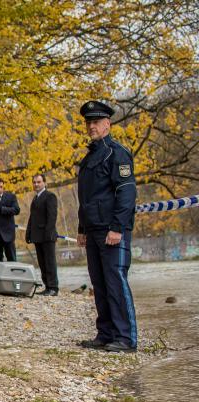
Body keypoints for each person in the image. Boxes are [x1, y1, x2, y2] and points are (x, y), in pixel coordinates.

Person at [76, 100, 138, 353]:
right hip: (93, 230)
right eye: (88, 122)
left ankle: (125, 337)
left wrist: (117, 227)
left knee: (116, 282)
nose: (91, 126)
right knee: (99, 283)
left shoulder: (117, 153)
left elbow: (126, 194)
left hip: (112, 230)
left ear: (107, 124)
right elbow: (86, 197)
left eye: (96, 122)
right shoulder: (89, 157)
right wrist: (81, 228)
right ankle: (106, 333)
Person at [25, 173, 59, 295]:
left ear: (44, 182)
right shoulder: (35, 199)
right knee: (42, 263)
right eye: (34, 182)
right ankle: (47, 286)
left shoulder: (50, 196)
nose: (36, 184)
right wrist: (28, 233)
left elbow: (52, 217)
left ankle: (53, 288)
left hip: (47, 236)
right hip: (37, 236)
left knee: (50, 262)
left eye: (38, 182)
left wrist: (48, 233)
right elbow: (32, 218)